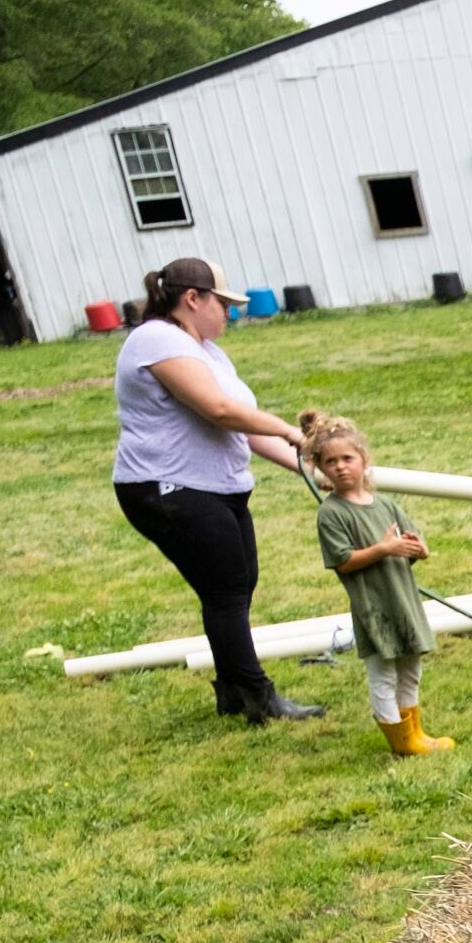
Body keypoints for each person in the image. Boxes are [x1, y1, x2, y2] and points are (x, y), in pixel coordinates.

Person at [110, 257, 321, 723]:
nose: (230, 313)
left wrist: (307, 468)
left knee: (238, 583)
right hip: (168, 488)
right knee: (225, 590)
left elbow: (242, 429)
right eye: (223, 304)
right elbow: (220, 411)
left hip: (213, 487)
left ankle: (232, 691)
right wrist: (291, 430)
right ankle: (257, 698)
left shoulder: (204, 349)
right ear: (193, 299)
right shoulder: (157, 339)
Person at [299, 409, 453, 757]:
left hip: (403, 601)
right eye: (331, 461)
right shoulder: (332, 513)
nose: (341, 466)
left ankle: (415, 732)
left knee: (410, 668)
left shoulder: (385, 504)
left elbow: (410, 544)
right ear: (320, 468)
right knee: (383, 674)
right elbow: (344, 561)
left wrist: (418, 548)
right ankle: (400, 742)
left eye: (348, 458)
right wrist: (384, 548)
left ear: (363, 460)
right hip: (375, 607)